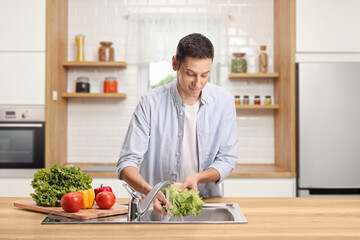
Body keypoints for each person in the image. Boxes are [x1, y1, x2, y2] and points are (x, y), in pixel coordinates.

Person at [117, 33, 238, 215]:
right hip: (157, 206)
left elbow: (227, 159)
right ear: (175, 64)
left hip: (204, 203)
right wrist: (150, 192)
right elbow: (127, 162)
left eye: (205, 75)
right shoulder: (150, 103)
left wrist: (198, 177)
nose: (198, 83)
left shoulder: (223, 102)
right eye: (190, 74)